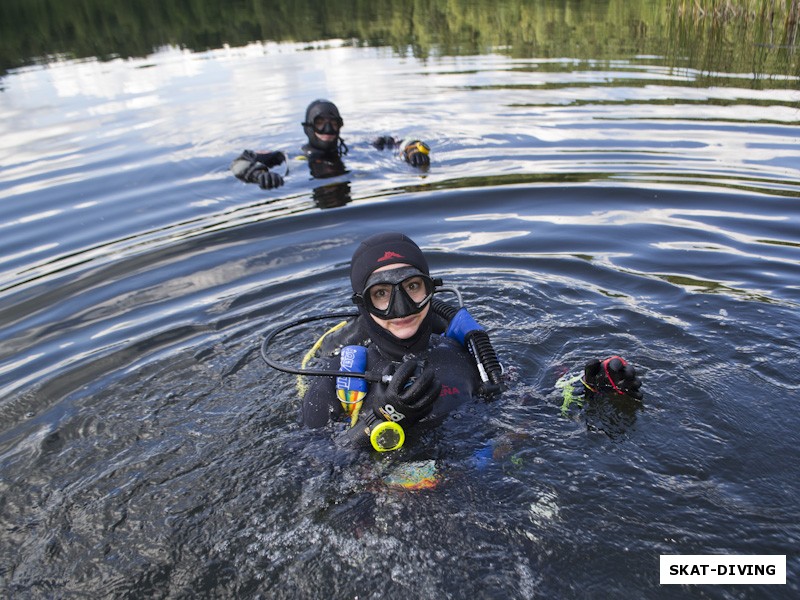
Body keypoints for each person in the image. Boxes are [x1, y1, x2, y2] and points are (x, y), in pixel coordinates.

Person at [300, 232, 493, 451]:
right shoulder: (333, 382)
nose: (402, 309)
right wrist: (381, 417)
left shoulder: (468, 355)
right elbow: (312, 466)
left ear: (429, 289)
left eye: (412, 286)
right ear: (363, 303)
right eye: (381, 293)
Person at [230, 99, 431, 192]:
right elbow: (240, 162)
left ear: (340, 125)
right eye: (320, 123)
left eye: (332, 123)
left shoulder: (356, 148)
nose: (327, 129)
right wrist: (258, 175)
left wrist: (412, 150)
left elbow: (400, 140)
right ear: (308, 126)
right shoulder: (287, 156)